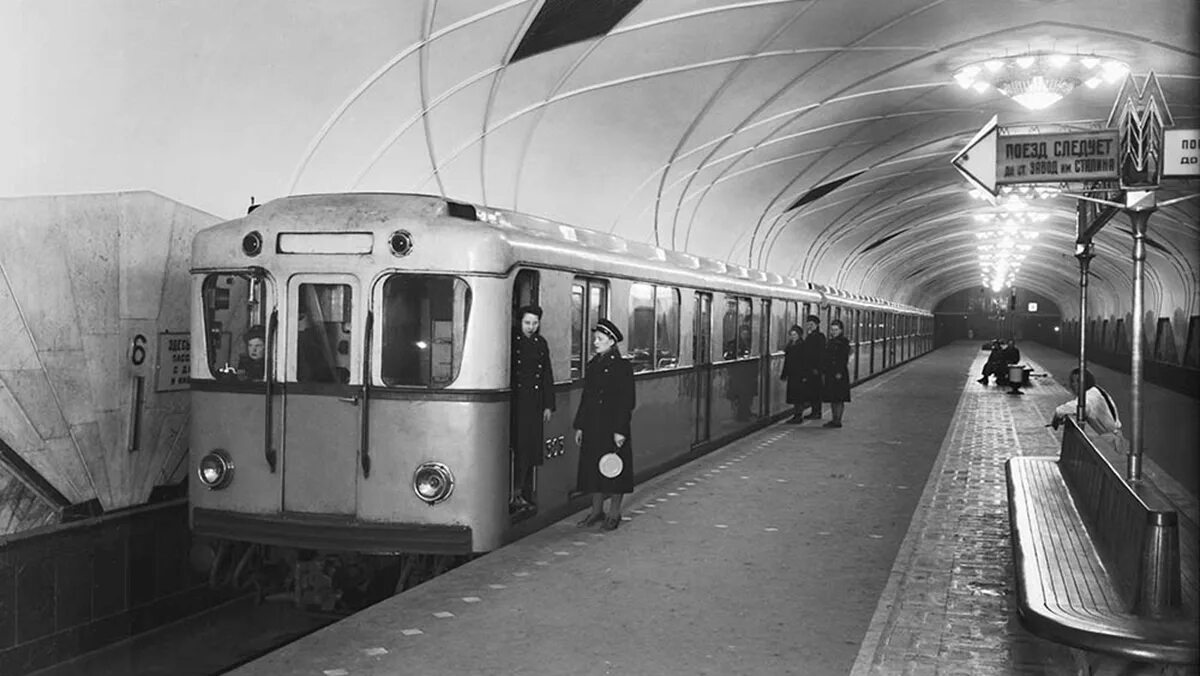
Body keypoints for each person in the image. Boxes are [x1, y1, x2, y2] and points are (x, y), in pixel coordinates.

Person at [573, 318, 636, 531]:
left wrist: (620, 430)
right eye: (595, 339)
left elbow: (627, 401)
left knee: (614, 470)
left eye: (599, 339)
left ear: (611, 341)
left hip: (612, 427)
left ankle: (614, 513)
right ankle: (596, 511)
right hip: (593, 425)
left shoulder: (622, 367)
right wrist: (580, 425)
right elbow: (586, 397)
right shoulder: (593, 365)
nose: (595, 343)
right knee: (594, 468)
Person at [510, 305, 555, 511]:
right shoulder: (512, 341)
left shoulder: (540, 343)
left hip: (534, 403)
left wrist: (548, 404)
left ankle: (524, 491)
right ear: (519, 322)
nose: (531, 327)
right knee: (518, 448)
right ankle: (515, 492)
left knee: (530, 449)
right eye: (527, 323)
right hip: (516, 403)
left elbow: (546, 373)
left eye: (535, 323)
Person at [1050, 367, 1127, 454]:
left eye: (1078, 381)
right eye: (1072, 381)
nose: (1074, 385)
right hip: (1112, 437)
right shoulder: (1096, 390)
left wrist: (1057, 415)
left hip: (1110, 442)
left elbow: (1069, 408)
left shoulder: (1090, 397)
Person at [821, 319, 851, 428]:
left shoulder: (843, 342)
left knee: (839, 398)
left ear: (841, 330)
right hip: (831, 372)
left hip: (839, 373)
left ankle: (837, 420)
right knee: (833, 397)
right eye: (832, 329)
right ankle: (834, 419)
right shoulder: (831, 341)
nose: (833, 332)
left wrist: (839, 372)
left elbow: (843, 358)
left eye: (836, 330)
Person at [798, 315, 825, 419]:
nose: (809, 326)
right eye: (808, 324)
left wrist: (817, 368)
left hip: (815, 369)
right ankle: (814, 411)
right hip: (810, 369)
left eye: (811, 324)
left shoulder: (819, 336)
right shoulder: (810, 336)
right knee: (812, 391)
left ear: (816, 325)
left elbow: (820, 354)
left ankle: (817, 412)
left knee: (816, 391)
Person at [780, 325, 806, 423]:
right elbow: (787, 361)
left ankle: (798, 416)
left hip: (799, 374)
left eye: (795, 334)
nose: (793, 336)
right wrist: (784, 374)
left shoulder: (802, 345)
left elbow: (805, 362)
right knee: (795, 396)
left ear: (799, 335)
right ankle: (796, 414)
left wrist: (804, 375)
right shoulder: (790, 345)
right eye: (791, 334)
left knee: (798, 396)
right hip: (792, 374)